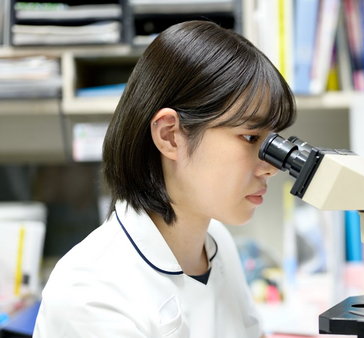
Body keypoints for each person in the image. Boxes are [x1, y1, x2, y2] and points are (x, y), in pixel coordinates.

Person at [33, 20, 296, 338]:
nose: (272, 167)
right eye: (251, 137)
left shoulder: (217, 242)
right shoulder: (92, 293)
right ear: (171, 136)